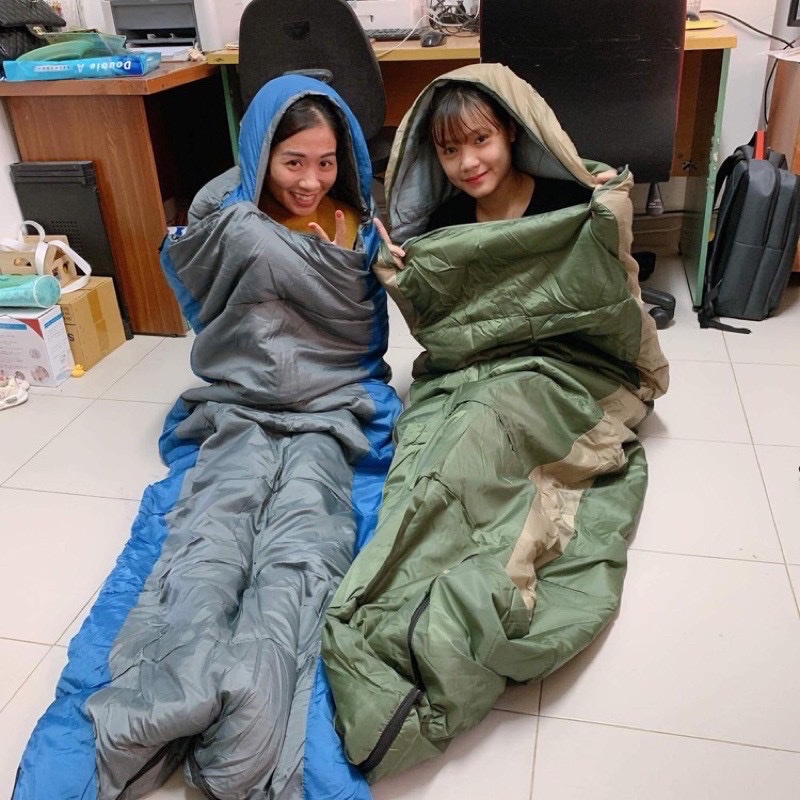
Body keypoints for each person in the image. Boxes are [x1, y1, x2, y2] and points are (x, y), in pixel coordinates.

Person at [40, 74, 403, 800]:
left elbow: (363, 329)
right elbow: (204, 298)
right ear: (261, 153)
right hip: (240, 405)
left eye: (326, 161)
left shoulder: (357, 225)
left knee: (306, 547)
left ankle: (262, 725)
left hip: (332, 410)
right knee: (208, 536)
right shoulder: (229, 221)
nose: (310, 180)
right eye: (292, 161)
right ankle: (152, 704)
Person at [375, 80, 617, 264]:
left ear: (511, 130)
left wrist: (611, 200)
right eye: (450, 149)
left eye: (481, 139)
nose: (468, 163)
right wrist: (403, 266)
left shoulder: (572, 201)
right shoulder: (443, 227)